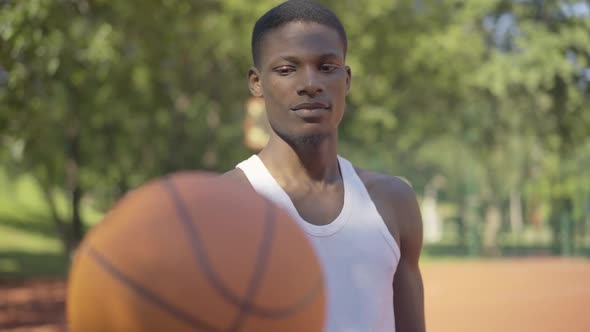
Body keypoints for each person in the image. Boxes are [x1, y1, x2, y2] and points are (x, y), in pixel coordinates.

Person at [223, 1, 426, 331]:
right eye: (287, 69)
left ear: (346, 79)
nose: (310, 83)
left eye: (326, 67)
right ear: (256, 83)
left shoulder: (394, 201)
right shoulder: (222, 204)